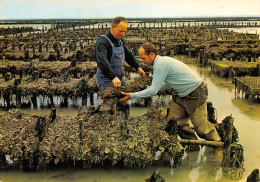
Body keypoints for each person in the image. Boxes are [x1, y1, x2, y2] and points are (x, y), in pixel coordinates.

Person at [119, 42, 223, 159]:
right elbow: (167, 83)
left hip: (195, 92)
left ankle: (218, 146)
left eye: (143, 58)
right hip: (181, 93)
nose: (142, 62)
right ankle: (193, 146)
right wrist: (153, 88)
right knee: (175, 122)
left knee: (202, 128)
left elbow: (153, 92)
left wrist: (131, 95)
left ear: (152, 54)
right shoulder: (161, 62)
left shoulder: (161, 64)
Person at [95, 16, 145, 89]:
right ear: (113, 27)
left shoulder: (120, 41)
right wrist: (113, 77)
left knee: (124, 98)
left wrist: (138, 67)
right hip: (107, 79)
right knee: (110, 100)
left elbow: (128, 55)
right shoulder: (102, 41)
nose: (123, 34)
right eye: (120, 31)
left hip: (120, 78)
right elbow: (102, 61)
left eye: (124, 31)